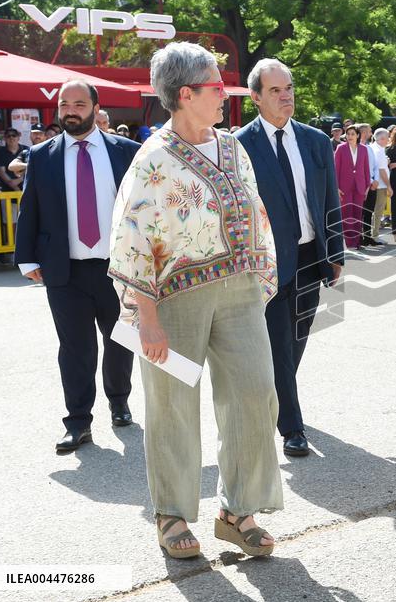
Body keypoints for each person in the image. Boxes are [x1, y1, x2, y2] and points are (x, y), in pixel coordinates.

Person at [109, 42, 283, 559]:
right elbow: (132, 237)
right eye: (215, 87)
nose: (225, 95)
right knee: (173, 406)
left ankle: (237, 511)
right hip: (172, 302)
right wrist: (146, 317)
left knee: (255, 395)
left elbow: (254, 215)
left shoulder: (233, 147)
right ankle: (172, 513)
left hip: (240, 293)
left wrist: (258, 274)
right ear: (185, 94)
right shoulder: (153, 159)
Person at [13, 80, 137, 452]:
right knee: (75, 348)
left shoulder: (126, 151)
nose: (71, 110)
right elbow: (30, 206)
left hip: (117, 268)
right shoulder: (43, 155)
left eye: (79, 103)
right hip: (64, 270)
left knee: (121, 341)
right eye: (65, 103)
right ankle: (78, 421)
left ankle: (119, 400)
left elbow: (143, 210)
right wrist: (28, 259)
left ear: (96, 109)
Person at [236, 57, 345, 458]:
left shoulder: (315, 141)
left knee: (295, 340)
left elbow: (329, 198)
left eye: (290, 89)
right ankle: (292, 429)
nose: (286, 97)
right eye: (276, 91)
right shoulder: (239, 145)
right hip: (263, 262)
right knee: (279, 342)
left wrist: (335, 252)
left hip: (309, 257)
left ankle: (278, 399)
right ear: (256, 97)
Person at [334, 124, 372, 250]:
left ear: (357, 136)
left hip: (360, 187)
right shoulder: (341, 148)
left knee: (357, 214)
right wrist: (336, 187)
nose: (350, 136)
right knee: (347, 214)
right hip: (344, 187)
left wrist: (367, 186)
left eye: (352, 134)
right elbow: (336, 169)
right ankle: (349, 242)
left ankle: (356, 242)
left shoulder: (364, 149)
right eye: (348, 134)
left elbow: (366, 168)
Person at [363, 127, 392, 246]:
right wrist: (389, 186)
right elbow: (381, 170)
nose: (389, 140)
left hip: (376, 184)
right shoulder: (379, 150)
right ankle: (374, 236)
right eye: (387, 137)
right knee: (378, 211)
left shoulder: (374, 148)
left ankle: (371, 235)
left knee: (373, 211)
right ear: (382, 138)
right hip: (380, 185)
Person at [0, 127, 25, 192]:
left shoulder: (26, 150)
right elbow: (1, 172)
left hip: (26, 187)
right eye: (8, 136)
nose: (11, 138)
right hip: (6, 190)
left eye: (14, 135)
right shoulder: (0, 153)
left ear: (18, 138)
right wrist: (15, 187)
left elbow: (31, 168)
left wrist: (20, 179)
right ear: (5, 139)